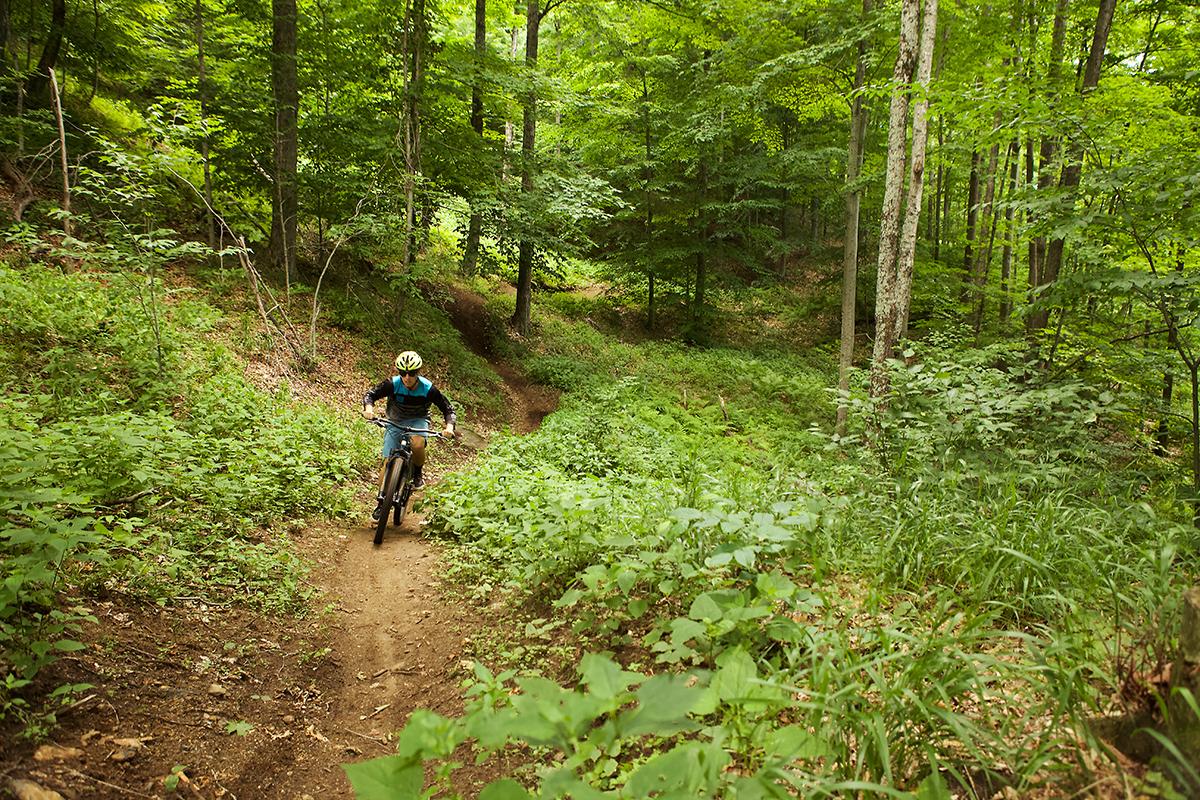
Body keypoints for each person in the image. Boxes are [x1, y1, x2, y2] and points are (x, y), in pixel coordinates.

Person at [362, 350, 456, 521]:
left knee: (418, 443)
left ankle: (418, 474)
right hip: (395, 420)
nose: (407, 377)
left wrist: (449, 427)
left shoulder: (428, 389)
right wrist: (369, 409)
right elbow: (371, 395)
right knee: (386, 461)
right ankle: (381, 503)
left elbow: (448, 409)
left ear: (417, 372)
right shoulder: (392, 384)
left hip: (418, 420)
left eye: (411, 373)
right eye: (403, 373)